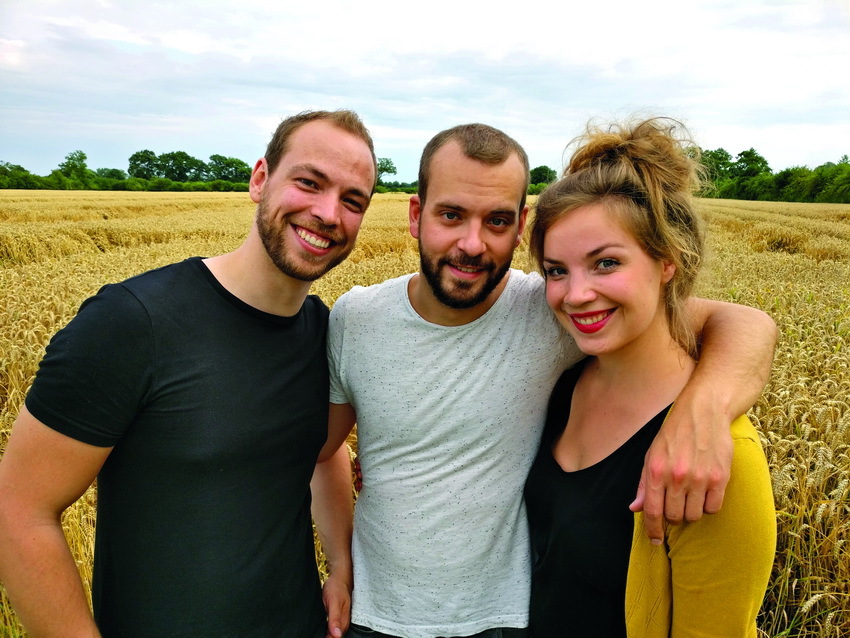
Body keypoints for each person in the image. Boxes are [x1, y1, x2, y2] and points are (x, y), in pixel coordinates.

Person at [320, 123, 778, 638]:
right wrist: (341, 561)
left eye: (496, 220)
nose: (471, 243)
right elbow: (320, 450)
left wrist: (706, 407)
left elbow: (740, 321)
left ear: (520, 226)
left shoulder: (548, 313)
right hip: (374, 618)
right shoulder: (356, 318)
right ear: (415, 214)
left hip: (504, 623)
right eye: (451, 215)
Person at [0, 109, 377, 638]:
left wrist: (341, 562)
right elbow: (18, 510)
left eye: (352, 200)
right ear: (260, 179)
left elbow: (324, 448)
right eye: (309, 183)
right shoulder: (132, 323)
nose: (328, 213)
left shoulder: (324, 332)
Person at [523, 117, 776, 637]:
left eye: (606, 263)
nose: (575, 295)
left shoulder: (714, 459)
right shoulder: (563, 381)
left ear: (668, 263)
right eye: (556, 270)